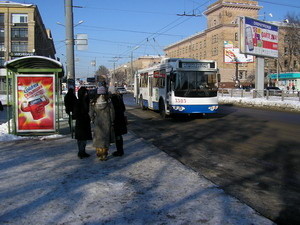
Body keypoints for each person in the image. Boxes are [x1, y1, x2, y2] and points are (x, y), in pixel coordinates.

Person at [90, 86, 115, 161]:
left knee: (98, 139)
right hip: (107, 122)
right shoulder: (108, 102)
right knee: (105, 139)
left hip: (98, 123)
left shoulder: (93, 102)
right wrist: (112, 121)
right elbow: (112, 113)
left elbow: (91, 113)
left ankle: (99, 153)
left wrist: (93, 119)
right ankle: (104, 154)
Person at [74, 87, 92, 159]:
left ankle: (82, 151)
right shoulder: (79, 102)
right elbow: (76, 113)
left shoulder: (85, 101)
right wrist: (83, 115)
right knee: (81, 138)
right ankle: (81, 152)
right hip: (81, 121)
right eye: (85, 93)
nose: (86, 94)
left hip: (83, 121)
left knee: (83, 138)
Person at [110, 87, 127, 157]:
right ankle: (120, 150)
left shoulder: (112, 99)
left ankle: (119, 151)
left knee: (117, 135)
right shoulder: (119, 98)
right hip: (121, 119)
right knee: (119, 135)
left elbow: (112, 111)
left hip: (116, 120)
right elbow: (123, 108)